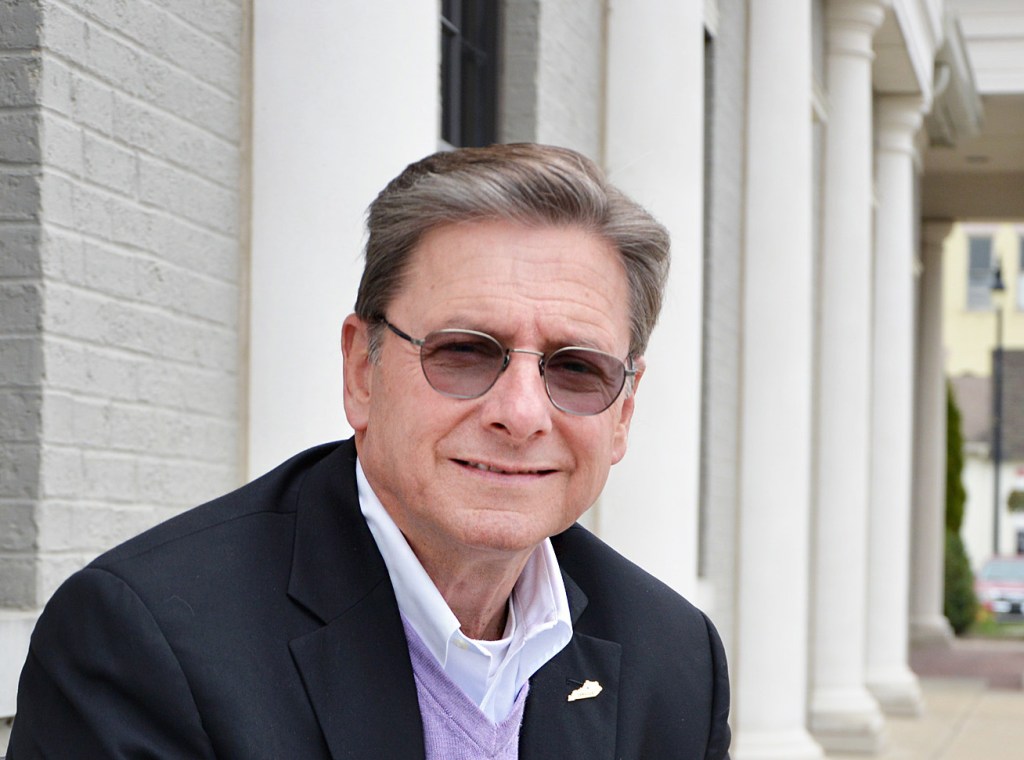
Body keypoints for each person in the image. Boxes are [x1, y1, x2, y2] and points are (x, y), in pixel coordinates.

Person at [8, 144, 731, 759]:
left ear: (623, 412)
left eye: (576, 369)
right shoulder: (146, 644)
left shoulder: (675, 662)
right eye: (463, 352)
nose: (520, 414)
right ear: (362, 371)